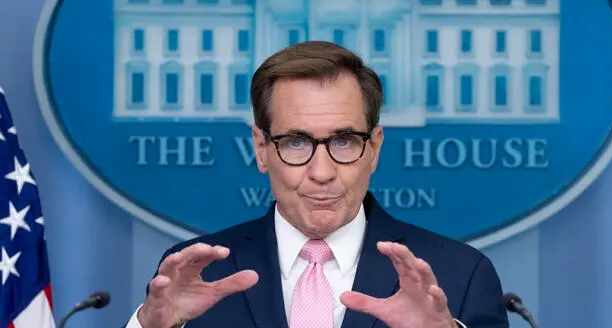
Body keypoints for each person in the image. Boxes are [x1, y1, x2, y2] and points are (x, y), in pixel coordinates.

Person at [124, 41, 509, 328]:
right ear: (261, 149)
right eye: (296, 142)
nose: (322, 171)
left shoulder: (460, 273)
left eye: (344, 141)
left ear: (374, 149)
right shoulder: (195, 271)